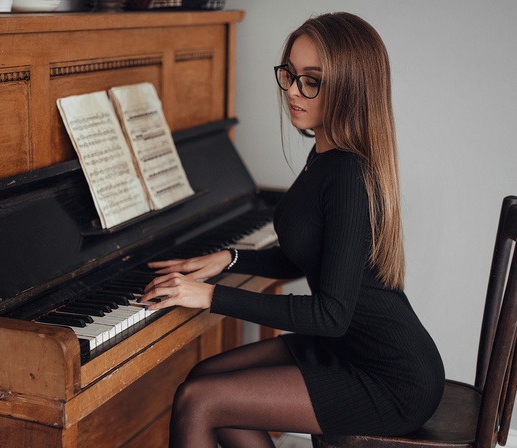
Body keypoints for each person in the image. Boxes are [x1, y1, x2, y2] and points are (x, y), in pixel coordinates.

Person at [139, 11, 445, 448]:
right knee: (204, 379)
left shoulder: (347, 174)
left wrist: (208, 296)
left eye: (311, 81)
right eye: (290, 74)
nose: (293, 92)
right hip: (348, 348)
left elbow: (331, 315)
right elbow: (305, 252)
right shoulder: (325, 154)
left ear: (350, 87)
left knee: (199, 399)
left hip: (390, 377)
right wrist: (230, 259)